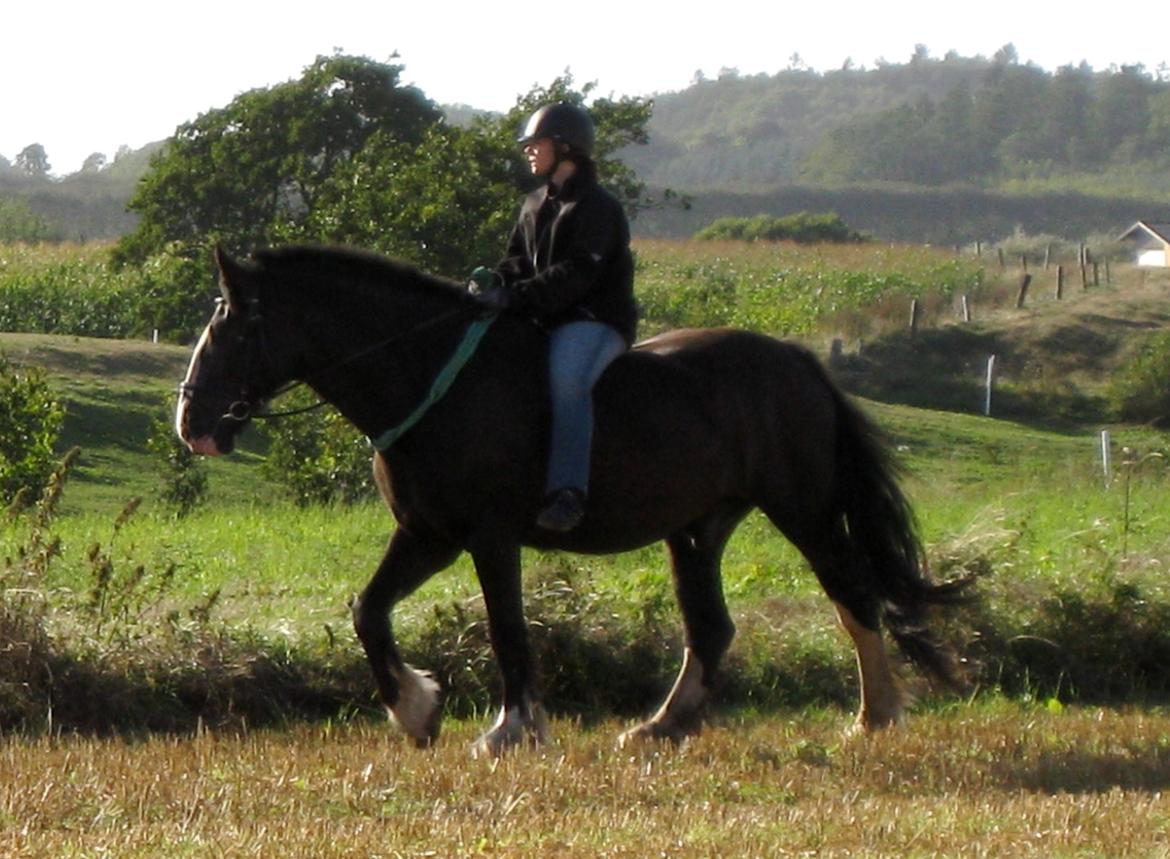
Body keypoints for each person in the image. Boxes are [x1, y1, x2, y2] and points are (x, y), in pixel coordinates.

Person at [471, 102, 637, 532]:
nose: (528, 150)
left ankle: (568, 492)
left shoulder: (598, 207)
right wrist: (493, 285)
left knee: (567, 379)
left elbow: (579, 273)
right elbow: (514, 261)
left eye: (536, 143)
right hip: (542, 318)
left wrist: (518, 298)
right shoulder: (533, 204)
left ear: (565, 147)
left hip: (593, 320)